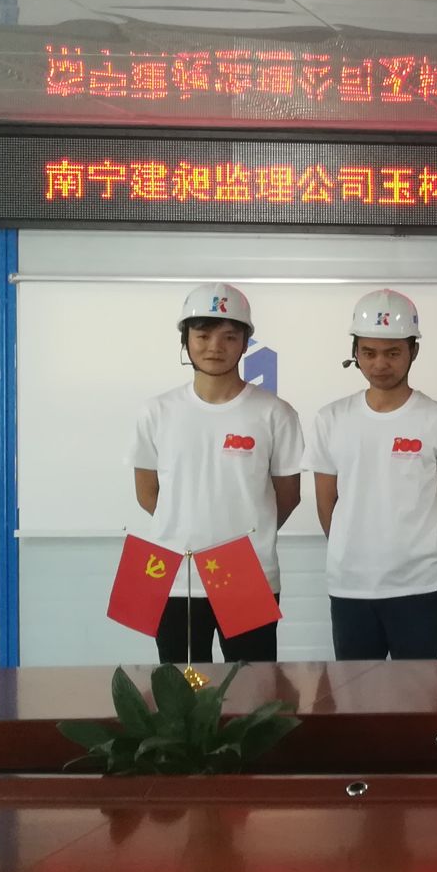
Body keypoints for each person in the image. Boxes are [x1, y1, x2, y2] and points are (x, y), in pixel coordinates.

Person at [131, 283, 303, 664]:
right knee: (182, 689)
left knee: (253, 688)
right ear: (185, 340)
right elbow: (147, 494)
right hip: (175, 573)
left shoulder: (275, 413)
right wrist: (187, 525)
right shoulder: (156, 412)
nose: (215, 347)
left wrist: (246, 528)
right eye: (203, 335)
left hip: (246, 572)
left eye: (229, 336)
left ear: (245, 343)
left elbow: (288, 496)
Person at [307, 290, 437, 660]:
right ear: (356, 353)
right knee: (356, 690)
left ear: (413, 351)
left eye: (393, 353)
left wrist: (424, 547)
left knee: (417, 689)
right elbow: (326, 503)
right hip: (350, 585)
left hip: (420, 584)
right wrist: (352, 547)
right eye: (369, 352)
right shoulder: (331, 419)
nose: (380, 363)